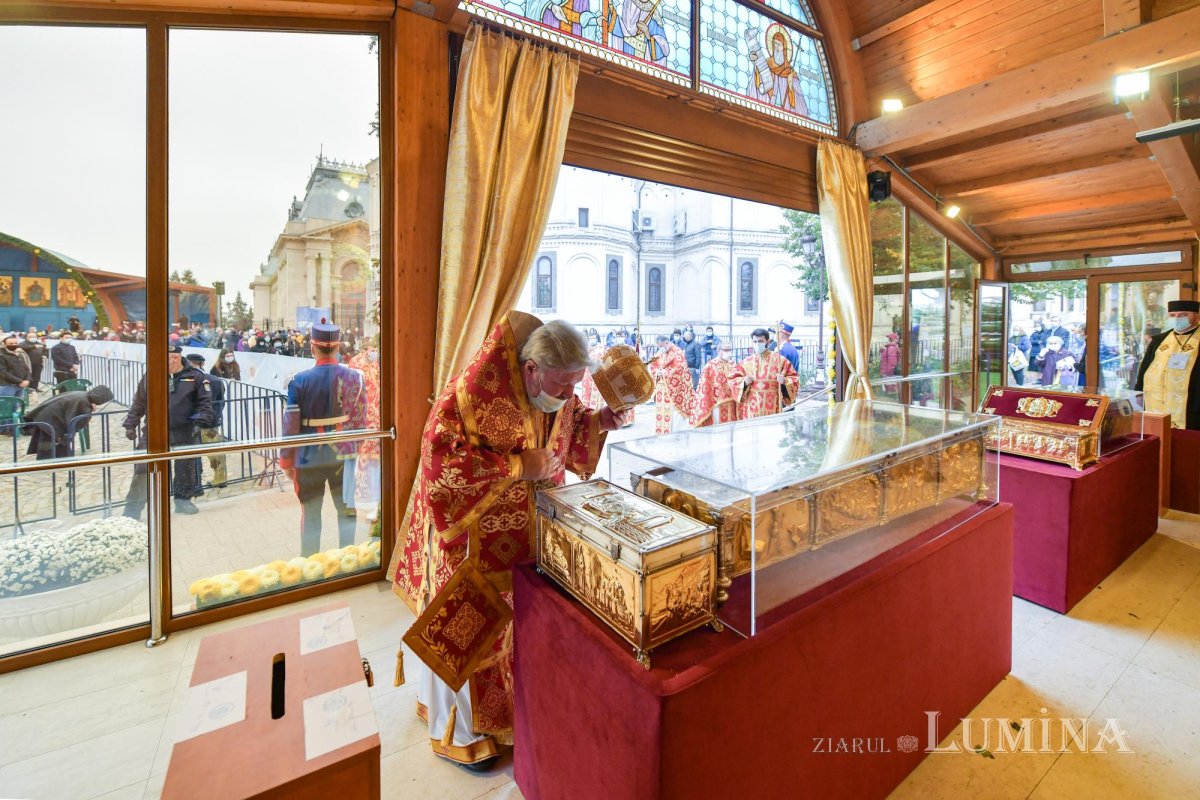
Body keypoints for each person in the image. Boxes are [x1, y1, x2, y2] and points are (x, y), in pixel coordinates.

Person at [392, 313, 630, 769]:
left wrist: (600, 420)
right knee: (469, 632)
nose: (566, 397)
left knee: (512, 637)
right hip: (469, 542)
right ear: (531, 368)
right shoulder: (469, 395)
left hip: (525, 537)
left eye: (573, 387)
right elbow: (440, 463)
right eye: (562, 386)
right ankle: (458, 735)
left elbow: (570, 427)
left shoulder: (557, 394)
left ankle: (505, 723)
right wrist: (517, 467)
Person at [280, 322, 366, 556]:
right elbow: (360, 422)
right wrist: (354, 450)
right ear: (337, 346)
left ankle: (310, 565)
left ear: (312, 347)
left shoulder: (299, 380)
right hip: (343, 455)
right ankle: (347, 560)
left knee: (310, 513)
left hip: (308, 456)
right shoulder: (355, 378)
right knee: (346, 509)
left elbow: (290, 426)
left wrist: (286, 461)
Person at [122, 344, 215, 517]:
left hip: (185, 430)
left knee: (185, 468)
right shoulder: (151, 376)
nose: (171, 361)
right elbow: (139, 403)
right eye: (167, 357)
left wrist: (199, 422)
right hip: (154, 430)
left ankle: (183, 500)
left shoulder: (196, 377)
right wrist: (130, 424)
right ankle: (132, 509)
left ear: (180, 357)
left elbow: (204, 403)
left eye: (175, 357)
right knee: (143, 469)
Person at [1135, 299, 1200, 430]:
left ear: (1196, 316)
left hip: (1191, 409)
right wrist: (1138, 394)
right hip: (1155, 406)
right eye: (1172, 315)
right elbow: (1144, 370)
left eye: (1183, 315)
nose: (1177, 318)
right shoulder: (1158, 340)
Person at [24, 385, 113, 459]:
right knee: (51, 442)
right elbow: (76, 421)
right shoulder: (83, 401)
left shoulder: (82, 395)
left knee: (50, 440)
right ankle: (49, 461)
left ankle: (54, 458)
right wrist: (89, 411)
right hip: (51, 419)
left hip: (45, 416)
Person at [730, 328, 799, 419]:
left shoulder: (780, 360)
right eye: (755, 341)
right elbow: (733, 380)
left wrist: (785, 381)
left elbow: (794, 379)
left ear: (768, 341)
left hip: (773, 405)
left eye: (760, 341)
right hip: (752, 407)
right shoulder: (746, 362)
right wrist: (744, 382)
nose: (757, 344)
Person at [348, 338, 382, 523]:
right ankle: (372, 504)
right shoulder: (356, 364)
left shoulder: (381, 362)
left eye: (376, 348)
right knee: (368, 467)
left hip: (381, 420)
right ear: (364, 349)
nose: (374, 351)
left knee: (381, 466)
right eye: (372, 348)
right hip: (366, 421)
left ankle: (379, 504)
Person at [186, 353, 228, 489]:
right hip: (211, 423)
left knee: (196, 453)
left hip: (194, 424)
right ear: (202, 364)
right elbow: (221, 402)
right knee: (215, 453)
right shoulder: (215, 380)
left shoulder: (188, 380)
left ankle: (197, 481)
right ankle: (220, 477)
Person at [648, 333, 696, 434]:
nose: (660, 348)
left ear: (667, 343)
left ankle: (674, 432)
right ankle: (661, 430)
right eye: (658, 347)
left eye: (661, 346)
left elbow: (679, 369)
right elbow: (653, 364)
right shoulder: (661, 352)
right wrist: (657, 372)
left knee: (674, 413)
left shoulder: (677, 352)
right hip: (661, 388)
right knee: (661, 410)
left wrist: (664, 372)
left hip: (674, 389)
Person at [692, 342, 739, 426]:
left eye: (730, 350)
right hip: (717, 404)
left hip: (732, 402)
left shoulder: (733, 364)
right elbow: (704, 386)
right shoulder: (710, 366)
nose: (728, 352)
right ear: (718, 350)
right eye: (726, 350)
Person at [577, 333, 607, 410]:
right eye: (591, 338)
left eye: (594, 337)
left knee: (596, 396)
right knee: (586, 395)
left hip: (597, 375)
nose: (592, 339)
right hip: (586, 376)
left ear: (597, 338)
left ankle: (596, 414)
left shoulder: (602, 349)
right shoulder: (586, 349)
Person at [0, 334, 32, 399]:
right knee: (6, 407)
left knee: (16, 406)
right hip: (8, 386)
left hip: (21, 386)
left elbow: (26, 368)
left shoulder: (19, 354)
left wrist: (28, 379)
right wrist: (20, 381)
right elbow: (3, 372)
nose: (14, 345)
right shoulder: (1, 355)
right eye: (11, 343)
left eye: (15, 343)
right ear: (4, 344)